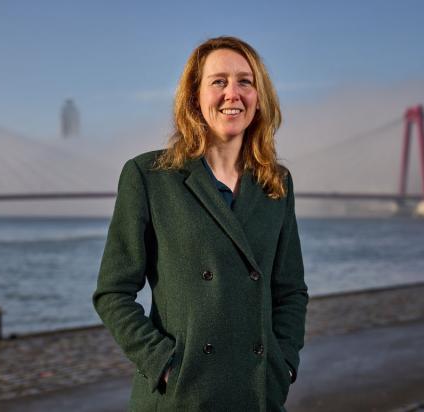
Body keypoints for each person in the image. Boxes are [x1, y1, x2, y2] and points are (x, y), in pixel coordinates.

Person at [93, 36, 308, 411]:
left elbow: (290, 290)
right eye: (218, 81)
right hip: (181, 397)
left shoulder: (276, 183)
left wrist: (283, 364)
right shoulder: (150, 176)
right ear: (194, 96)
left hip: (257, 394)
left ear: (259, 97)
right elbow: (112, 293)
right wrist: (163, 364)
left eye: (245, 82)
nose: (232, 94)